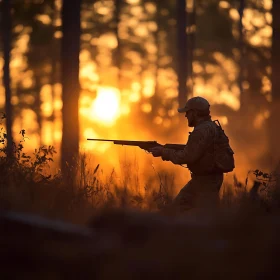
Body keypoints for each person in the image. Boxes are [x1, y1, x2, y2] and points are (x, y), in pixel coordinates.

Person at [149, 96, 235, 213]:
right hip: (207, 179)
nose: (186, 116)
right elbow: (195, 151)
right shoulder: (210, 127)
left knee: (185, 212)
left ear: (194, 113)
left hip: (205, 181)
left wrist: (163, 152)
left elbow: (187, 156)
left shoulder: (201, 130)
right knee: (193, 212)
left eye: (188, 112)